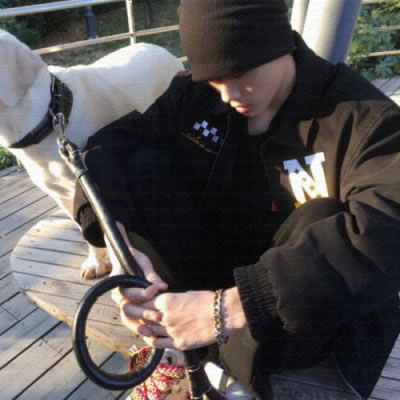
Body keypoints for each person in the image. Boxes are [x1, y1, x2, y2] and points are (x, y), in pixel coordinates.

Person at [73, 0, 400, 398]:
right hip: (202, 278)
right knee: (141, 166)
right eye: (214, 78)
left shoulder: (362, 117)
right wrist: (119, 244)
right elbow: (106, 147)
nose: (227, 94)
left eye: (239, 74)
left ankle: (217, 366)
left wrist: (230, 307)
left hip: (287, 316)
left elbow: (389, 225)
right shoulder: (196, 95)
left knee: (323, 213)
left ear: (278, 43)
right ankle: (177, 338)